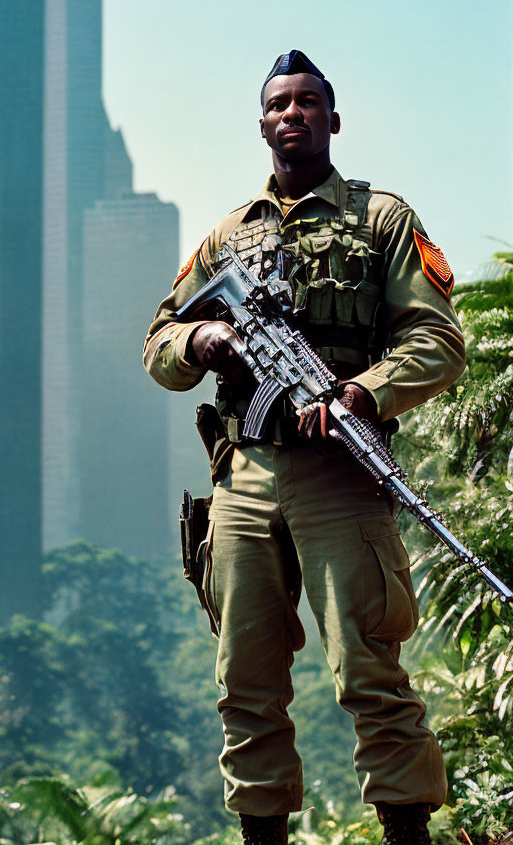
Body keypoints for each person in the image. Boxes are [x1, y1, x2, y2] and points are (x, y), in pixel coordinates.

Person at [143, 50, 466, 845]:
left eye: (309, 102)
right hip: (244, 477)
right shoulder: (227, 236)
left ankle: (406, 832)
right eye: (280, 104)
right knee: (245, 680)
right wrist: (205, 338)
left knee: (370, 674)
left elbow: (438, 340)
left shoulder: (380, 220)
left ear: (333, 119)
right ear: (262, 124)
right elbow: (158, 342)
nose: (293, 113)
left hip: (340, 474)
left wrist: (364, 392)